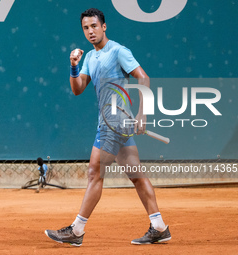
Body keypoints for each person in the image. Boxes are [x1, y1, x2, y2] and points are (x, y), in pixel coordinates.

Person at [45, 8, 171, 246]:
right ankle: (159, 227)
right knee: (136, 175)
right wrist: (73, 65)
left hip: (114, 123)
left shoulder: (118, 51)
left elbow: (143, 78)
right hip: (114, 122)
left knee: (94, 172)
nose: (90, 31)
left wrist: (143, 114)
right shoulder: (91, 57)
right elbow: (78, 88)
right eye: (86, 28)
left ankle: (77, 230)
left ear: (104, 26)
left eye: (94, 26)